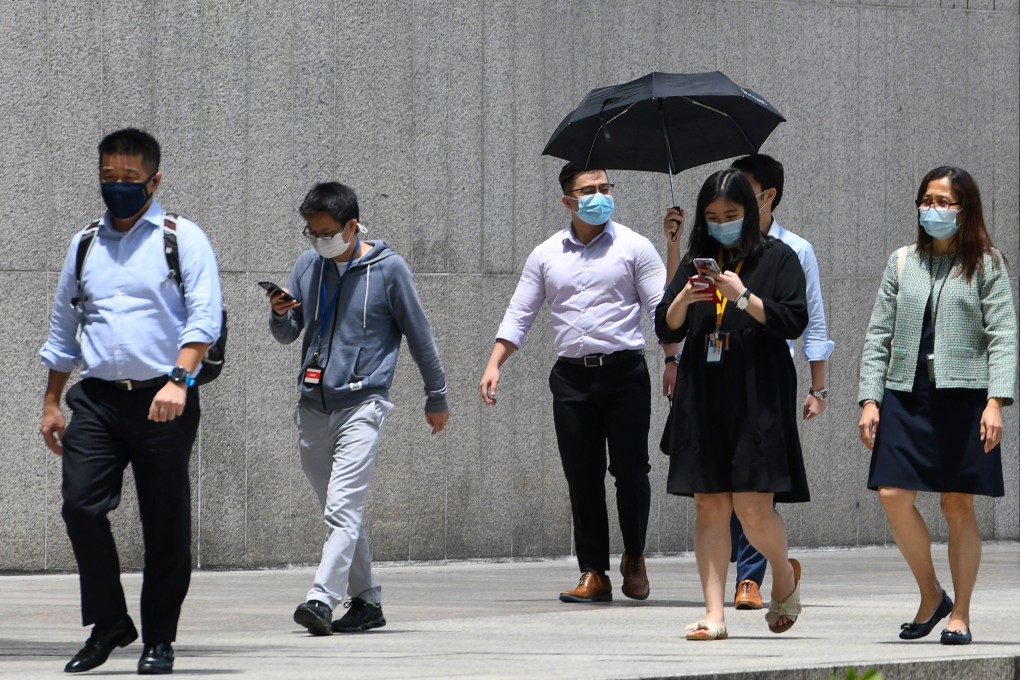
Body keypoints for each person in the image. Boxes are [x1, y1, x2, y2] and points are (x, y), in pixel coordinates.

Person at [39, 128, 223, 674]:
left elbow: (204, 318)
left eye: (129, 179)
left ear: (154, 180)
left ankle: (159, 638)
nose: (117, 188)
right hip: (95, 400)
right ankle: (110, 622)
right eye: (108, 179)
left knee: (163, 521)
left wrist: (179, 382)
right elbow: (63, 329)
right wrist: (52, 402)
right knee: (79, 505)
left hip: (163, 399)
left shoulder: (181, 237)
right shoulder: (85, 243)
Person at [480, 162, 678, 604]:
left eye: (605, 187)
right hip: (570, 379)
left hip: (626, 373)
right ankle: (594, 571)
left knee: (631, 472)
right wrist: (496, 362)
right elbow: (521, 313)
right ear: (567, 200)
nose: (599, 195)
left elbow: (660, 310)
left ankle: (634, 556)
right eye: (588, 189)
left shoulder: (634, 246)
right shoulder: (546, 254)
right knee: (581, 476)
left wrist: (672, 359)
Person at [268, 182, 449, 637]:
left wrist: (437, 395)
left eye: (326, 232)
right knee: (338, 509)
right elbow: (289, 335)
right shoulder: (310, 264)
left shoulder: (389, 270)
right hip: (312, 406)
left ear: (352, 226)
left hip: (363, 404)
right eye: (310, 232)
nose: (317, 240)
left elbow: (420, 334)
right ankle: (368, 602)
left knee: (342, 509)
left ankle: (321, 599)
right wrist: (280, 312)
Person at [858, 166, 1016, 646]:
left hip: (964, 396)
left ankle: (960, 613)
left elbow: (1004, 336)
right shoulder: (903, 261)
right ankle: (931, 593)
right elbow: (878, 333)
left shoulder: (986, 264)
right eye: (927, 200)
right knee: (892, 494)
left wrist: (996, 402)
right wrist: (869, 397)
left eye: (944, 202)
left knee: (956, 503)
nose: (934, 209)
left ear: (965, 209)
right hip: (906, 394)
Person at [655, 168, 808, 640]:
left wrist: (742, 298)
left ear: (750, 212)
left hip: (757, 395)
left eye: (732, 215)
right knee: (708, 505)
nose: (722, 222)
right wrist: (684, 294)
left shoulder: (779, 258)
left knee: (753, 509)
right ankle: (713, 614)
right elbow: (666, 328)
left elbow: (791, 320)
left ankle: (782, 574)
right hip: (703, 394)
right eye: (713, 216)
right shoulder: (698, 262)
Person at [726, 154, 834, 610]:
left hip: (768, 376)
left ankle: (750, 578)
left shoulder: (795, 249)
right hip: (720, 374)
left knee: (757, 479)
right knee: (726, 483)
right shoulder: (721, 246)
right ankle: (773, 567)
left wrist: (818, 387)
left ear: (768, 195)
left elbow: (811, 319)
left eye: (742, 188)